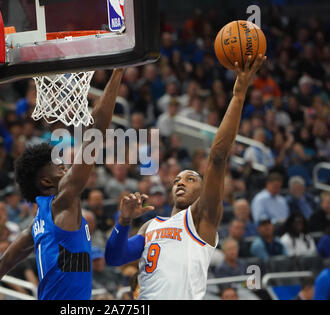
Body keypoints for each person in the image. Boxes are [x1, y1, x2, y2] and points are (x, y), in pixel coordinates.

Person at [105, 55, 266, 299]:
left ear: (204, 190)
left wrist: (239, 95)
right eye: (178, 179)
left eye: (191, 178)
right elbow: (114, 258)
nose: (181, 181)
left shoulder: (202, 218)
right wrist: (124, 220)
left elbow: (218, 157)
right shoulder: (151, 226)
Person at [0, 69, 124, 300]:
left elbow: (1, 264)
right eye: (58, 166)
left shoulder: (37, 225)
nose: (65, 167)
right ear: (46, 182)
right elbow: (96, 130)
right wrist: (117, 71)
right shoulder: (64, 202)